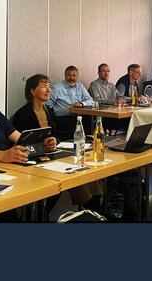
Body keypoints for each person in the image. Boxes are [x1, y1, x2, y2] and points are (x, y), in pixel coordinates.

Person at [13, 74, 102, 216]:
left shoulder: (48, 111)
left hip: (52, 155)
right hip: (35, 161)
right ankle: (97, 212)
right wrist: (43, 146)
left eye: (48, 85)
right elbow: (23, 144)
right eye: (43, 86)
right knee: (73, 177)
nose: (48, 89)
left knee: (87, 174)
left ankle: (97, 213)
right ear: (32, 91)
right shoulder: (22, 114)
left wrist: (54, 140)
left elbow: (54, 133)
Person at [45, 66, 94, 140]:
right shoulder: (57, 88)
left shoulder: (80, 86)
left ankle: (86, 146)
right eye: (69, 75)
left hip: (79, 117)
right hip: (62, 118)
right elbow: (47, 105)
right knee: (77, 128)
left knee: (92, 124)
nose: (71, 78)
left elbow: (91, 101)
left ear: (77, 76)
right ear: (65, 75)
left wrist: (82, 103)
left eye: (74, 75)